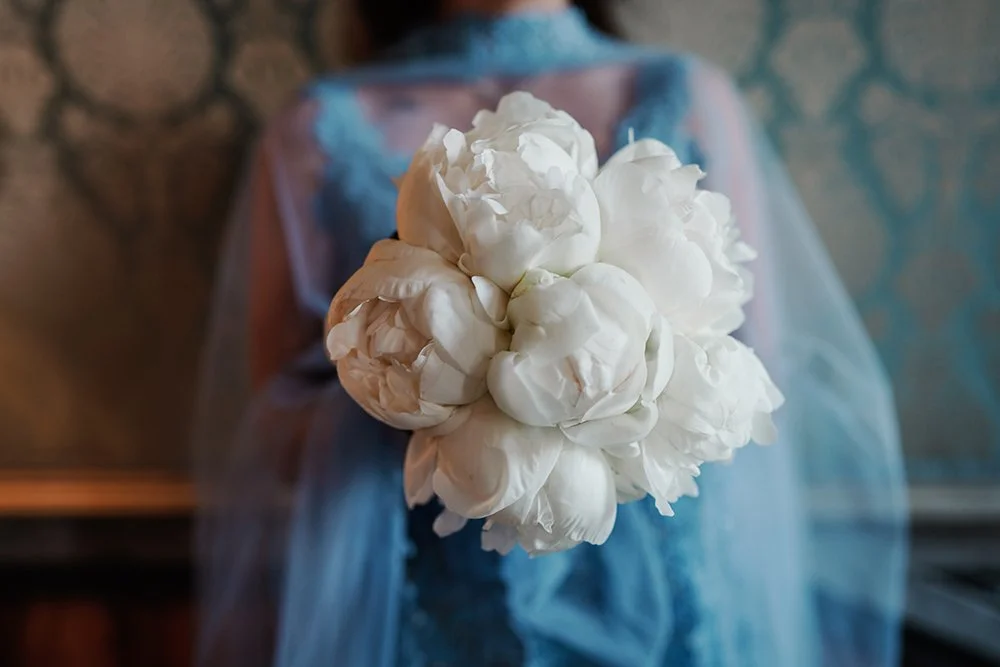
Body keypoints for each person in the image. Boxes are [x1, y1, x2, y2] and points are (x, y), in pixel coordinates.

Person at [192, 1, 909, 666]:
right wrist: (439, 389)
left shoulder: (687, 97)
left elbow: (753, 378)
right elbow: (276, 428)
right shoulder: (318, 126)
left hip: (667, 593)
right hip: (432, 601)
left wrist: (608, 385)